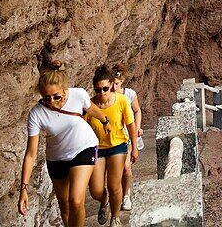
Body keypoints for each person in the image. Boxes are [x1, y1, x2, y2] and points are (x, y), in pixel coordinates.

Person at [18, 61, 113, 227]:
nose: (52, 102)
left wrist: (105, 121)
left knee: (76, 200)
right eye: (46, 98)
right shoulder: (36, 114)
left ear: (64, 90)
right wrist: (23, 189)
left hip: (84, 147)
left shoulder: (78, 95)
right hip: (57, 158)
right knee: (65, 206)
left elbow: (92, 109)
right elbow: (31, 153)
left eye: (57, 97)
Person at [86, 65, 137, 226]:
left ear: (111, 85)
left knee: (114, 185)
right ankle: (104, 200)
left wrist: (134, 147)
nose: (102, 93)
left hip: (118, 146)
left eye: (105, 88)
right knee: (95, 189)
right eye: (98, 90)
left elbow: (130, 125)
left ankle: (115, 218)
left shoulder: (121, 100)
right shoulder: (89, 105)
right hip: (97, 148)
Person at [110, 62, 142, 211]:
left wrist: (138, 127)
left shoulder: (129, 94)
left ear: (121, 81)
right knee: (119, 169)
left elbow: (137, 110)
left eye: (116, 83)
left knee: (127, 168)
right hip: (114, 135)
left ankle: (126, 196)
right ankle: (117, 195)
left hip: (128, 134)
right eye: (112, 83)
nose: (113, 87)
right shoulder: (106, 95)